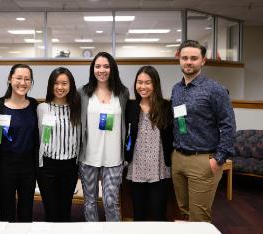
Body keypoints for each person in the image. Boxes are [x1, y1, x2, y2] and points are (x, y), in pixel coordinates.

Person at [171, 40, 236, 222]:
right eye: (184, 58)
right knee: (184, 212)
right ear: (179, 59)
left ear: (203, 61)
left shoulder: (215, 89)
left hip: (203, 161)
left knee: (199, 217)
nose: (188, 62)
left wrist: (219, 159)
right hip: (178, 158)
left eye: (193, 58)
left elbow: (228, 125)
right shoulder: (176, 89)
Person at [79, 51, 129, 221]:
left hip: (114, 157)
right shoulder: (83, 93)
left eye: (106, 66)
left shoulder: (122, 93)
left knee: (110, 201)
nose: (102, 70)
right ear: (92, 69)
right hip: (88, 157)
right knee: (90, 202)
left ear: (112, 69)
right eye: (98, 66)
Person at [124, 65, 173, 221]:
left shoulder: (166, 107)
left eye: (147, 82)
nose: (143, 86)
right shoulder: (130, 107)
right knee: (139, 215)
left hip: (159, 167)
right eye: (139, 82)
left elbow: (173, 135)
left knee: (159, 214)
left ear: (155, 85)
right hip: (136, 167)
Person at [0, 64, 39, 222]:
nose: (23, 82)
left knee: (26, 212)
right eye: (19, 78)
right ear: (10, 79)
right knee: (7, 212)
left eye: (27, 79)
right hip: (5, 166)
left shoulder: (34, 105)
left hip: (28, 167)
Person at [37, 67, 81, 222]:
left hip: (70, 166)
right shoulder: (42, 108)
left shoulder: (77, 109)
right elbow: (41, 136)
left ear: (71, 86)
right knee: (51, 210)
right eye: (56, 83)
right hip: (48, 166)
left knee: (65, 209)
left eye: (64, 83)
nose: (60, 87)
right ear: (50, 85)